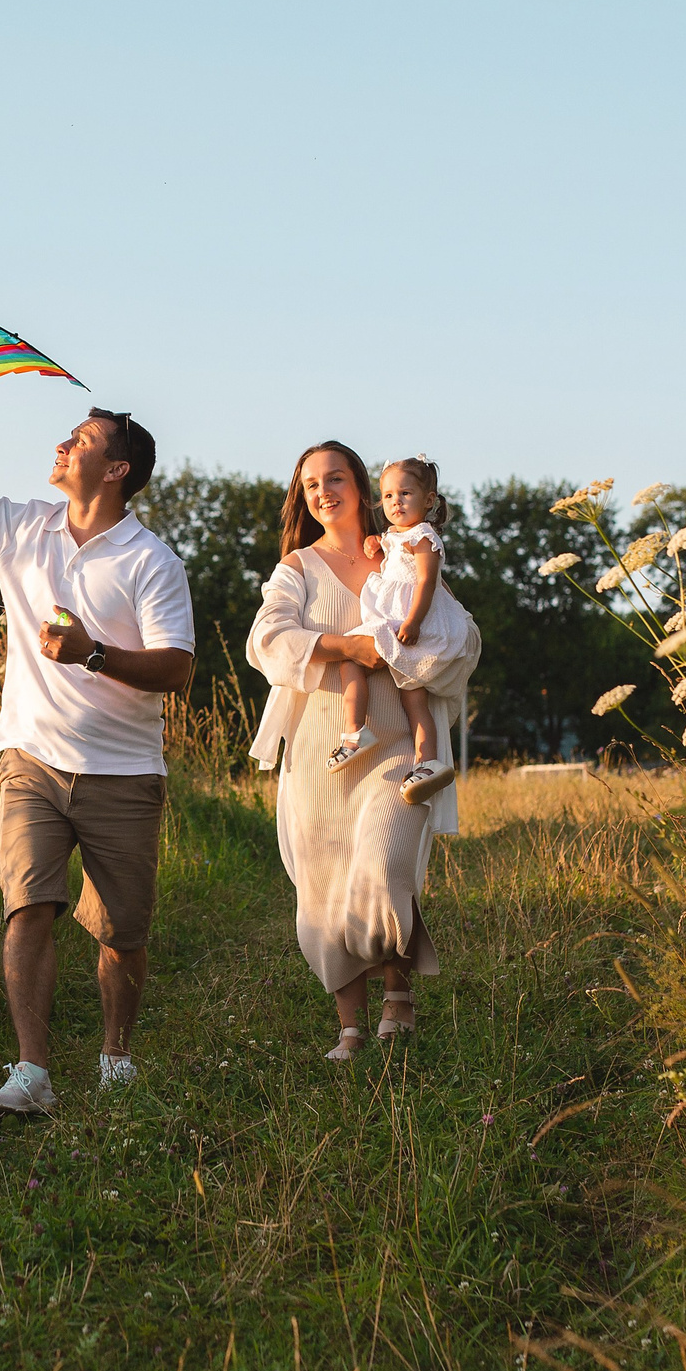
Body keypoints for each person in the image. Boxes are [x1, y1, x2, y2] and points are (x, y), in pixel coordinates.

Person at [0, 333, 196, 1115]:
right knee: (27, 905)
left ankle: (115, 1056)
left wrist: (92, 655)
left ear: (116, 469)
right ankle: (32, 1073)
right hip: (31, 760)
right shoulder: (21, 527)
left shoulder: (151, 561)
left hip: (123, 771)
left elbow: (177, 668)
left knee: (122, 930)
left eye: (82, 439)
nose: (64, 443)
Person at [246, 442, 478, 1061]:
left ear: (361, 487)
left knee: (383, 864)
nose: (324, 492)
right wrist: (346, 648)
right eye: (311, 484)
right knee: (324, 885)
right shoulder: (298, 566)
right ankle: (350, 1026)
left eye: (336, 478)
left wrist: (420, 647)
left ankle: (398, 989)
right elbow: (265, 639)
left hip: (398, 740)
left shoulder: (401, 546)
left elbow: (459, 631)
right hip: (326, 745)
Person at [325, 458, 472, 807]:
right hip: (394, 620)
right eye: (388, 495)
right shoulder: (397, 536)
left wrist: (414, 621)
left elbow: (426, 582)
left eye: (406, 493)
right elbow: (393, 553)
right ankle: (404, 754)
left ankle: (389, 746)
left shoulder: (424, 538)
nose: (396, 502)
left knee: (404, 694)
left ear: (428, 500)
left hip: (408, 623)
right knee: (385, 682)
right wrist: (378, 543)